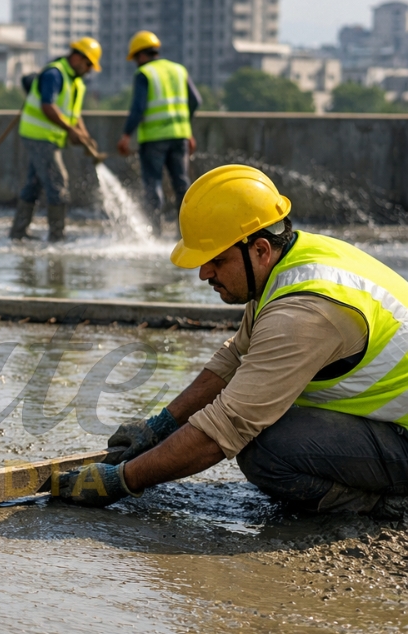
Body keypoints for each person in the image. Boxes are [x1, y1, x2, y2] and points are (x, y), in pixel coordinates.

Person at [56, 165, 408, 519]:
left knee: (265, 449)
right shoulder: (291, 264)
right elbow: (235, 359)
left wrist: (121, 481)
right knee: (268, 412)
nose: (204, 273)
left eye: (217, 260)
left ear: (259, 249)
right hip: (391, 425)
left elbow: (225, 428)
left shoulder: (303, 314)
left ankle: (382, 504)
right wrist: (161, 425)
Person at [10, 38, 103, 243]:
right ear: (77, 57)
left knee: (34, 184)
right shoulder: (55, 73)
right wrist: (70, 131)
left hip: (50, 137)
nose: (89, 70)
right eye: (88, 64)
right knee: (57, 182)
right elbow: (47, 107)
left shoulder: (76, 81)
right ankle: (57, 236)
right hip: (38, 136)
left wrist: (85, 136)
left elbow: (74, 113)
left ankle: (18, 232)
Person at [114, 31, 203, 236]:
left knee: (153, 185)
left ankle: (154, 232)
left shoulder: (144, 73)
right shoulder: (178, 70)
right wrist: (186, 130)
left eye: (136, 58)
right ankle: (186, 233)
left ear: (141, 55)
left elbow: (138, 108)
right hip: (180, 136)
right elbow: (196, 100)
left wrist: (126, 135)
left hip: (154, 139)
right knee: (182, 184)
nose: (136, 63)